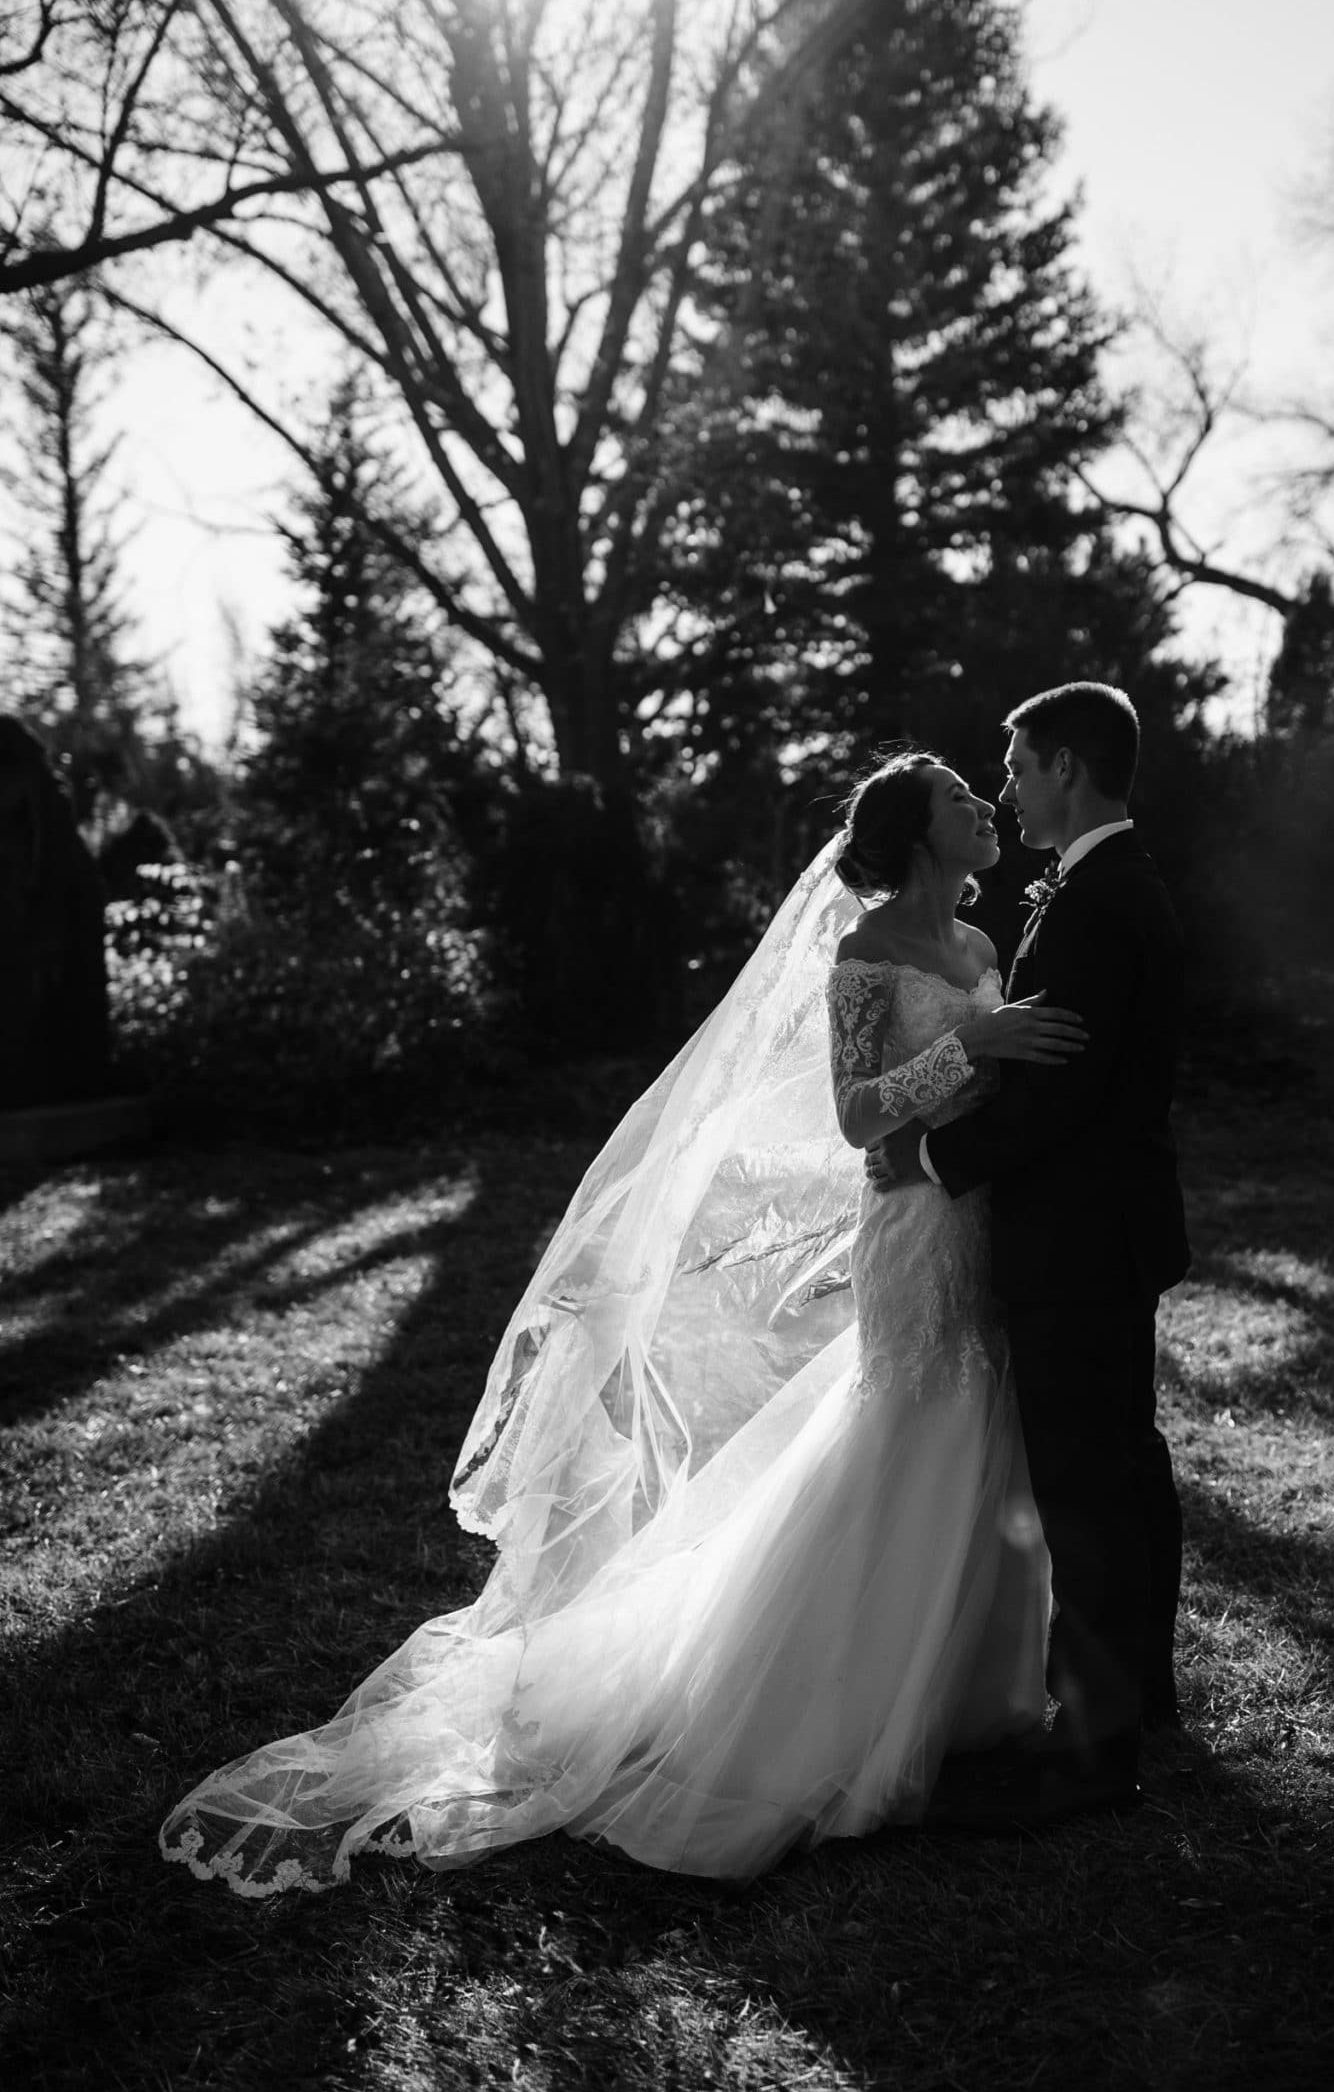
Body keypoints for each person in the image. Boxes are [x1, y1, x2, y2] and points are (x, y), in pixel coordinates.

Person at [158, 750, 1087, 1892]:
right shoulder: (864, 955)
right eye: (957, 795)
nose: (984, 804)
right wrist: (972, 1045)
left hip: (980, 1213)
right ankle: (824, 1703)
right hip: (910, 1228)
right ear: (914, 832)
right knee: (908, 1422)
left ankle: (959, 1692)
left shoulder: (988, 948)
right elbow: (854, 1116)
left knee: (977, 1424)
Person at [873, 681, 1192, 1823]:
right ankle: (1140, 1698)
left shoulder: (1099, 902)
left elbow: (1059, 1094)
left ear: (1064, 764)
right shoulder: (1112, 883)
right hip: (1113, 1226)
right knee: (1126, 1468)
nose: (1005, 785)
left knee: (1086, 1489)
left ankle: (1098, 1751)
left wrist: (933, 1163)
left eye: (1015, 765)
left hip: (1076, 1235)